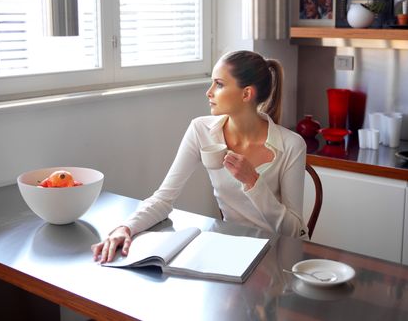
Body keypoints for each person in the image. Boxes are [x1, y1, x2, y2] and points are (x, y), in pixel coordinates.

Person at [92, 50, 308, 263]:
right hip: (229, 252)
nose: (209, 92)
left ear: (246, 94)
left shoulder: (291, 145)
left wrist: (253, 182)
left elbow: (294, 230)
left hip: (276, 256)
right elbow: (163, 199)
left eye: (219, 84)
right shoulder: (201, 130)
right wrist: (125, 228)